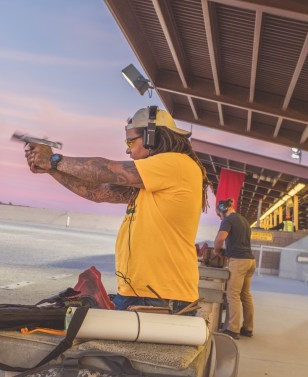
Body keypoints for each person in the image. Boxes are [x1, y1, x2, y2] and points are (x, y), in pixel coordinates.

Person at [24, 106, 212, 314]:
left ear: (153, 138)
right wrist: (50, 169)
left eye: (131, 142)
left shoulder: (176, 164)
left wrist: (53, 159)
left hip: (162, 297)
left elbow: (106, 170)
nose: (127, 149)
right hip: (142, 294)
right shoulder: (153, 180)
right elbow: (97, 192)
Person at [213, 198, 256, 339]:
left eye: (219, 215)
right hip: (250, 261)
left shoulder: (228, 220)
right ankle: (248, 328)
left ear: (223, 210)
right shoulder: (244, 220)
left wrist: (216, 250)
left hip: (239, 262)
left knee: (233, 295)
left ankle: (233, 329)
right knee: (246, 295)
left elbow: (221, 238)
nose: (220, 218)